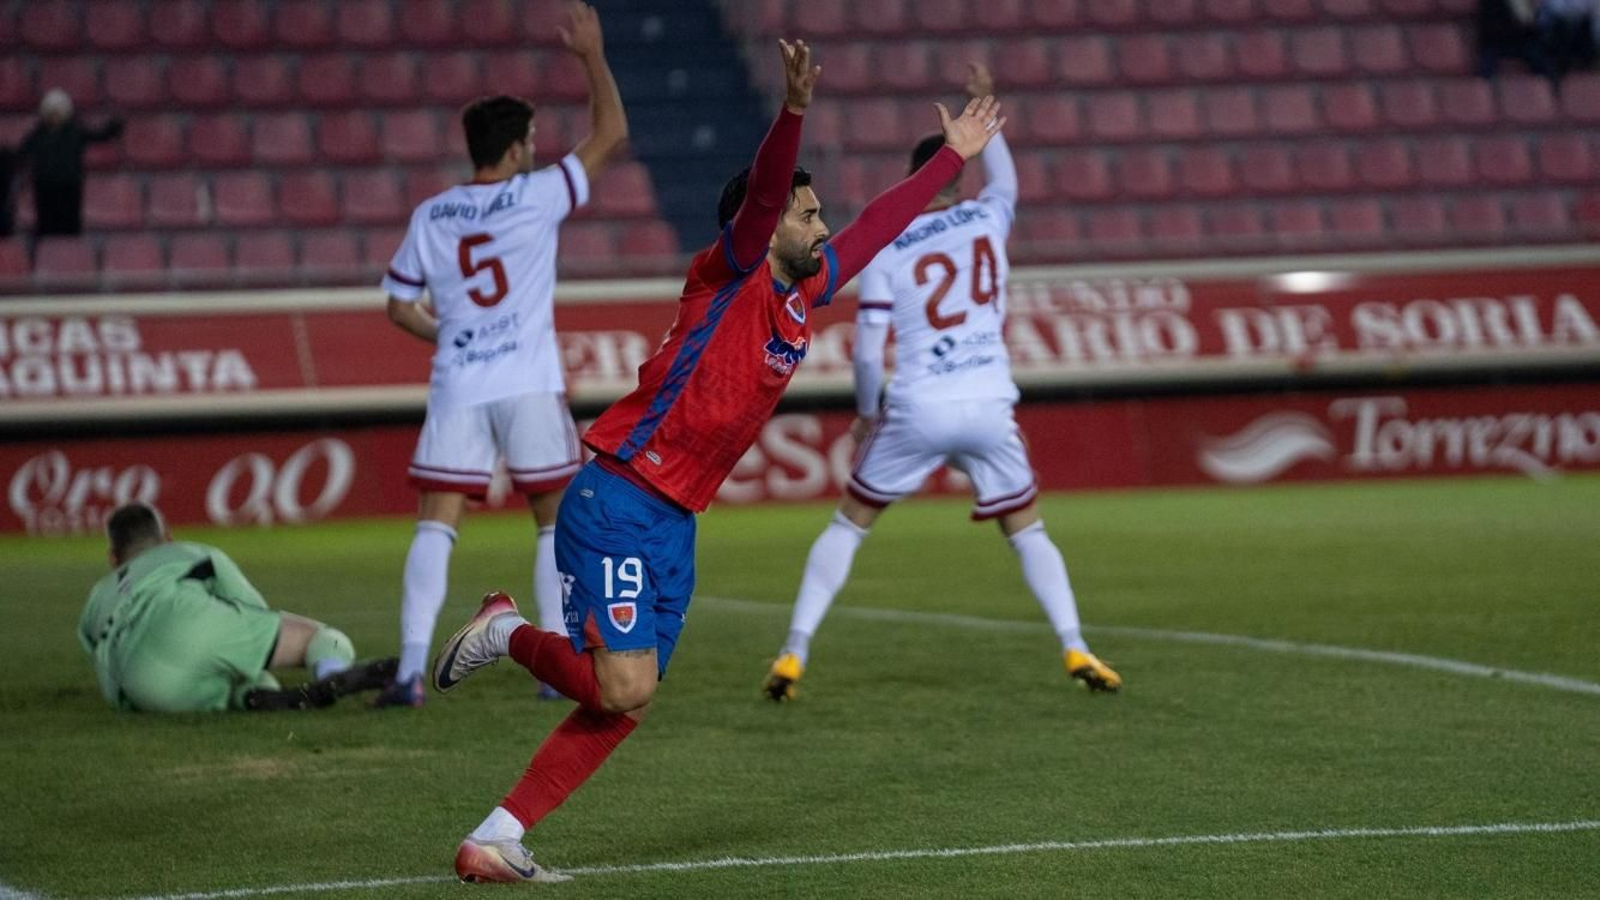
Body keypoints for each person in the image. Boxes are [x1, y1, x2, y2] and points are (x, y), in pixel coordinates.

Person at [426, 40, 1008, 884]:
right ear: (767, 227)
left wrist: (951, 159)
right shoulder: (726, 274)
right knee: (621, 688)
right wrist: (794, 109)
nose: (820, 226)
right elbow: (769, 189)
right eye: (808, 217)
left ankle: (497, 835)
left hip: (674, 521)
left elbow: (880, 229)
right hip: (620, 494)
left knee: (626, 699)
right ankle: (510, 632)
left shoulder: (801, 295)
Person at [762, 64, 1121, 703]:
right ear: (963, 173)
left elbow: (870, 350)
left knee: (849, 525)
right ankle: (1076, 644)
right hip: (988, 401)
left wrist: (868, 412)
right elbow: (1007, 179)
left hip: (920, 402)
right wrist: (983, 111)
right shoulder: (988, 218)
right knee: (1030, 530)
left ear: (917, 179)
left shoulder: (891, 245)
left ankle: (793, 652)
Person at [375, 1, 628, 708]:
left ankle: (408, 674)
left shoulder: (433, 214)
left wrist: (449, 333)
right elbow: (612, 133)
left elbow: (397, 303)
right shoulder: (536, 195)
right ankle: (553, 666)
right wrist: (591, 58)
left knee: (436, 519)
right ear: (516, 147)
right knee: (552, 516)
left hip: (460, 382)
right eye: (534, 140)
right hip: (526, 379)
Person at [79, 503, 396, 713]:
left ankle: (252, 697)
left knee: (228, 680)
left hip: (141, 692)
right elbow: (255, 610)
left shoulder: (98, 595)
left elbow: (98, 656)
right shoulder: (189, 552)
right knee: (320, 638)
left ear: (113, 558)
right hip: (185, 624)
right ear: (168, 538)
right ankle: (333, 673)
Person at [17, 88, 123, 240]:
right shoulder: (37, 134)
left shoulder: (76, 131)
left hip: (70, 186)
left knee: (70, 227)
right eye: (52, 112)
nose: (55, 116)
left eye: (58, 112)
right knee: (46, 227)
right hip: (45, 187)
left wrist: (114, 127)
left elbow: (99, 136)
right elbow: (22, 153)